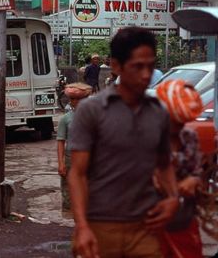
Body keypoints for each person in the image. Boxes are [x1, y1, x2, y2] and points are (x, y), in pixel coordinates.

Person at [69, 27, 179, 258]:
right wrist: (82, 226)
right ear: (117, 66)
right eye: (138, 66)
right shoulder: (92, 110)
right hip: (100, 227)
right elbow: (77, 173)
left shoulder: (158, 112)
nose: (146, 75)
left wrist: (172, 199)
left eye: (150, 66)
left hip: (146, 229)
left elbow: (164, 164)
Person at [155, 79, 205, 258]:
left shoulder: (189, 136)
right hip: (151, 222)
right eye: (176, 122)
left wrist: (194, 180)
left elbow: (197, 171)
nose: (180, 127)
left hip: (183, 220)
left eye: (183, 122)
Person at [56, 83, 92, 215]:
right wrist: (61, 163)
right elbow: (60, 142)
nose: (75, 102)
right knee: (71, 193)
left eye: (79, 99)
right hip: (71, 161)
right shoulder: (65, 119)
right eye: (72, 99)